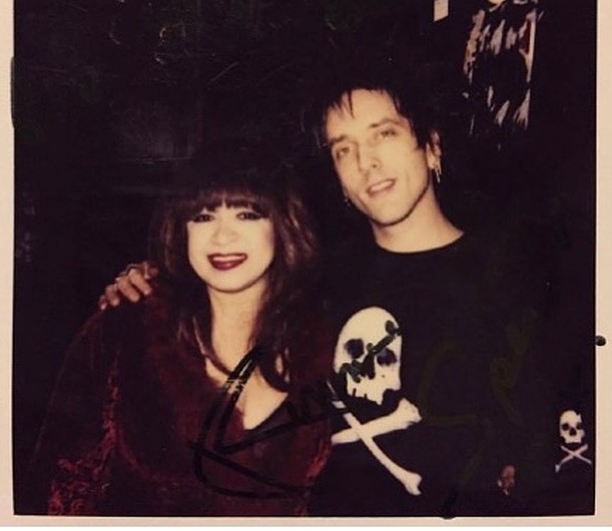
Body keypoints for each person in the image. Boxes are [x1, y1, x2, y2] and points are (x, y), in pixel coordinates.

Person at [97, 62, 554, 517]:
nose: (366, 162)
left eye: (384, 134)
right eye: (343, 149)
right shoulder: (315, 279)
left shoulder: (512, 280)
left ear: (432, 146)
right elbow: (224, 281)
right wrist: (152, 279)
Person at [21, 141, 333, 516]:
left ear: (284, 225)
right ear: (181, 229)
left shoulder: (331, 347)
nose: (222, 236)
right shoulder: (122, 332)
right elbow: (55, 488)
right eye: (202, 216)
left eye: (247, 214)